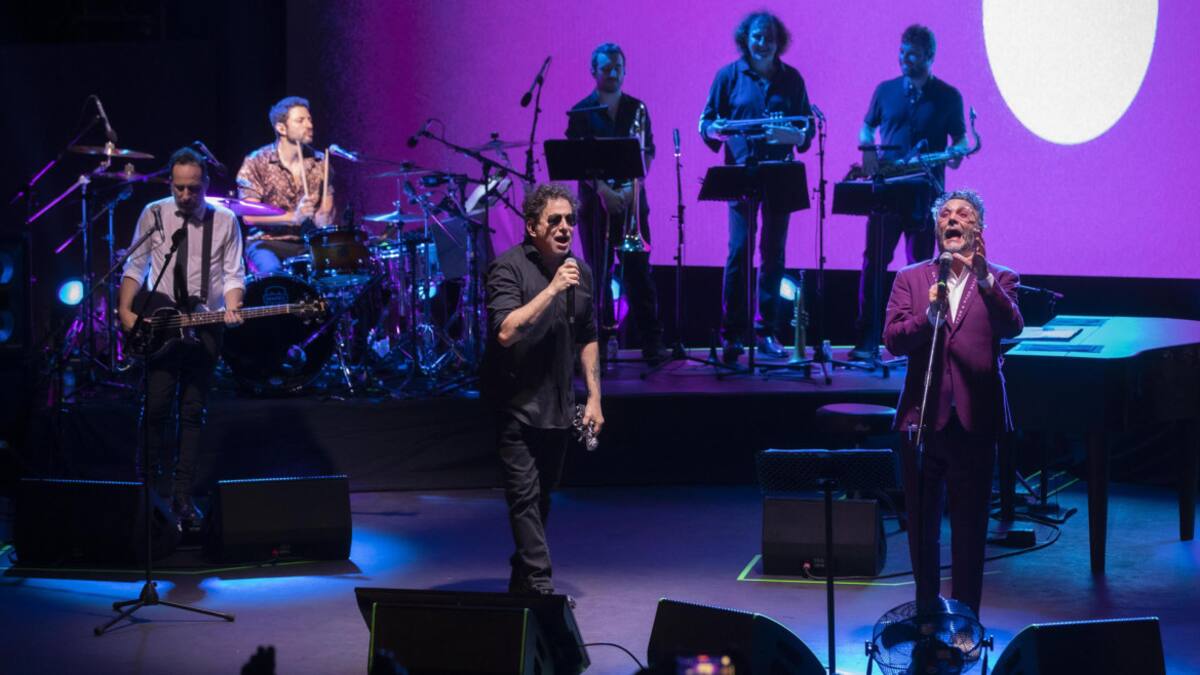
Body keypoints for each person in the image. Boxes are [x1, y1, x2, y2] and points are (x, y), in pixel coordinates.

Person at [882, 189, 1022, 617]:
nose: (953, 220)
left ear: (977, 228)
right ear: (938, 226)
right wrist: (928, 318)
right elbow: (891, 339)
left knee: (969, 531)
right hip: (921, 421)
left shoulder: (1000, 278)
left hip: (975, 422)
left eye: (963, 214)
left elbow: (1012, 326)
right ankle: (926, 619)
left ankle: (965, 624)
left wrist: (983, 278)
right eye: (946, 214)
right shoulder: (911, 277)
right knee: (922, 533)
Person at [481, 183, 603, 596]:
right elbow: (505, 332)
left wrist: (594, 397)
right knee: (524, 498)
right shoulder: (507, 269)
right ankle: (541, 587)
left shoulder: (581, 272)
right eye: (555, 220)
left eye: (570, 219)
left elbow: (589, 335)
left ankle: (522, 584)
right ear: (532, 226)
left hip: (558, 404)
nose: (565, 227)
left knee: (543, 497)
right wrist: (552, 290)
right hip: (514, 403)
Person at [119, 147, 246, 524]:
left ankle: (181, 497)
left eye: (193, 188)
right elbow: (136, 263)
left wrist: (234, 304)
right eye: (179, 189)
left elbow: (233, 273)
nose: (186, 196)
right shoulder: (154, 213)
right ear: (170, 184)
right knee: (156, 406)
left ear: (206, 183)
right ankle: (147, 494)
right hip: (162, 323)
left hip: (205, 323)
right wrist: (126, 310)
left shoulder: (225, 220)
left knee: (192, 412)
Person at [700, 11, 814, 363]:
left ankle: (767, 332)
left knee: (773, 254)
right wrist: (716, 130)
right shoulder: (728, 76)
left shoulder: (792, 79)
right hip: (741, 173)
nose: (762, 43)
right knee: (739, 252)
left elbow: (806, 131)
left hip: (779, 173)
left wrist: (791, 134)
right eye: (756, 37)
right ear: (745, 40)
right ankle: (733, 334)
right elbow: (706, 122)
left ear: (778, 41)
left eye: (768, 37)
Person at [853, 24, 970, 361]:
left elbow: (959, 138)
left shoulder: (949, 96)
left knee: (921, 271)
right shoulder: (885, 90)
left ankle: (915, 341)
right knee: (873, 263)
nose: (905, 59)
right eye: (902, 52)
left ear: (930, 58)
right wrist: (866, 148)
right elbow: (867, 125)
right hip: (887, 191)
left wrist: (958, 151)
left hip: (925, 195)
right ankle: (866, 340)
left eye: (913, 55)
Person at [565, 42, 665, 363]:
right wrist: (605, 191)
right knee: (599, 275)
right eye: (606, 68)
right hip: (596, 206)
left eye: (617, 67)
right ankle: (601, 342)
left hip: (632, 202)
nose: (612, 73)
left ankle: (652, 342)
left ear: (625, 69)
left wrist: (628, 192)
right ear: (594, 71)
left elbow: (646, 152)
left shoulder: (638, 108)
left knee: (638, 272)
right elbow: (576, 159)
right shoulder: (581, 112)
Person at [236, 96, 336, 276]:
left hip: (306, 243)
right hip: (266, 243)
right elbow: (249, 216)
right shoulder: (256, 161)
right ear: (281, 128)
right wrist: (293, 217)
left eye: (310, 119)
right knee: (273, 274)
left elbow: (325, 210)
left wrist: (322, 220)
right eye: (300, 120)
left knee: (331, 274)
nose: (309, 125)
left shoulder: (321, 161)